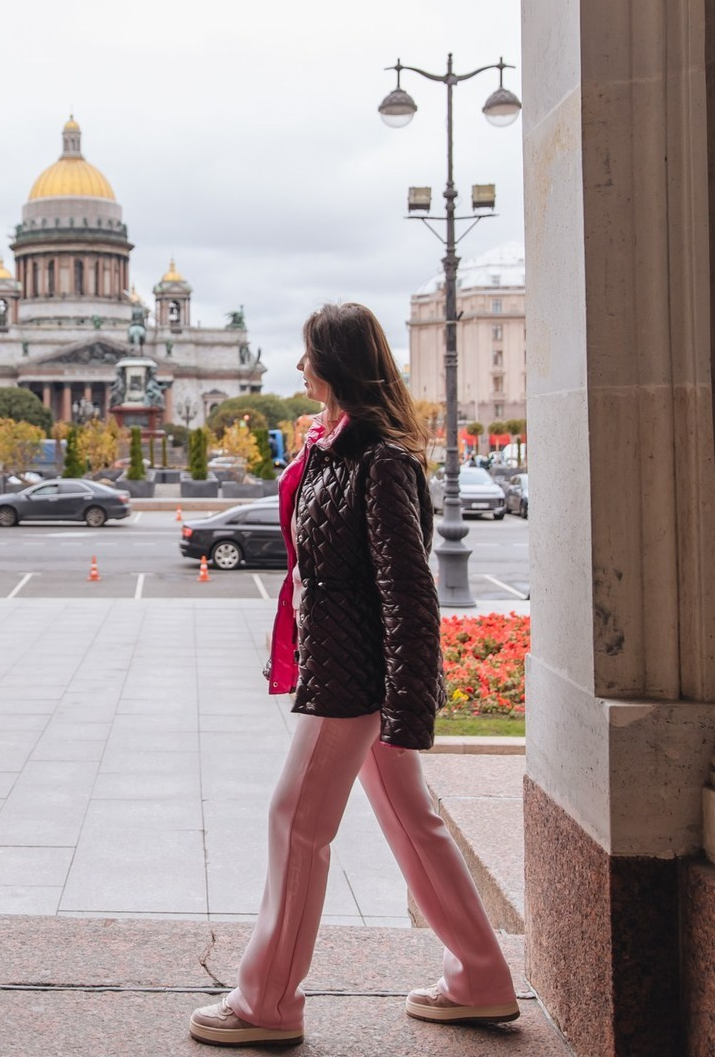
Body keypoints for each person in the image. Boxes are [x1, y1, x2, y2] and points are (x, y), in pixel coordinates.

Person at [189, 303, 519, 1048]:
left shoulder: (379, 460)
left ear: (336, 364)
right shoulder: (336, 451)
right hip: (351, 667)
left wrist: (407, 702)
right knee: (411, 823)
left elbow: (408, 590)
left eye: (308, 354)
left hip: (353, 677)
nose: (298, 367)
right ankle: (480, 979)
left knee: (295, 823)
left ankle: (268, 1002)